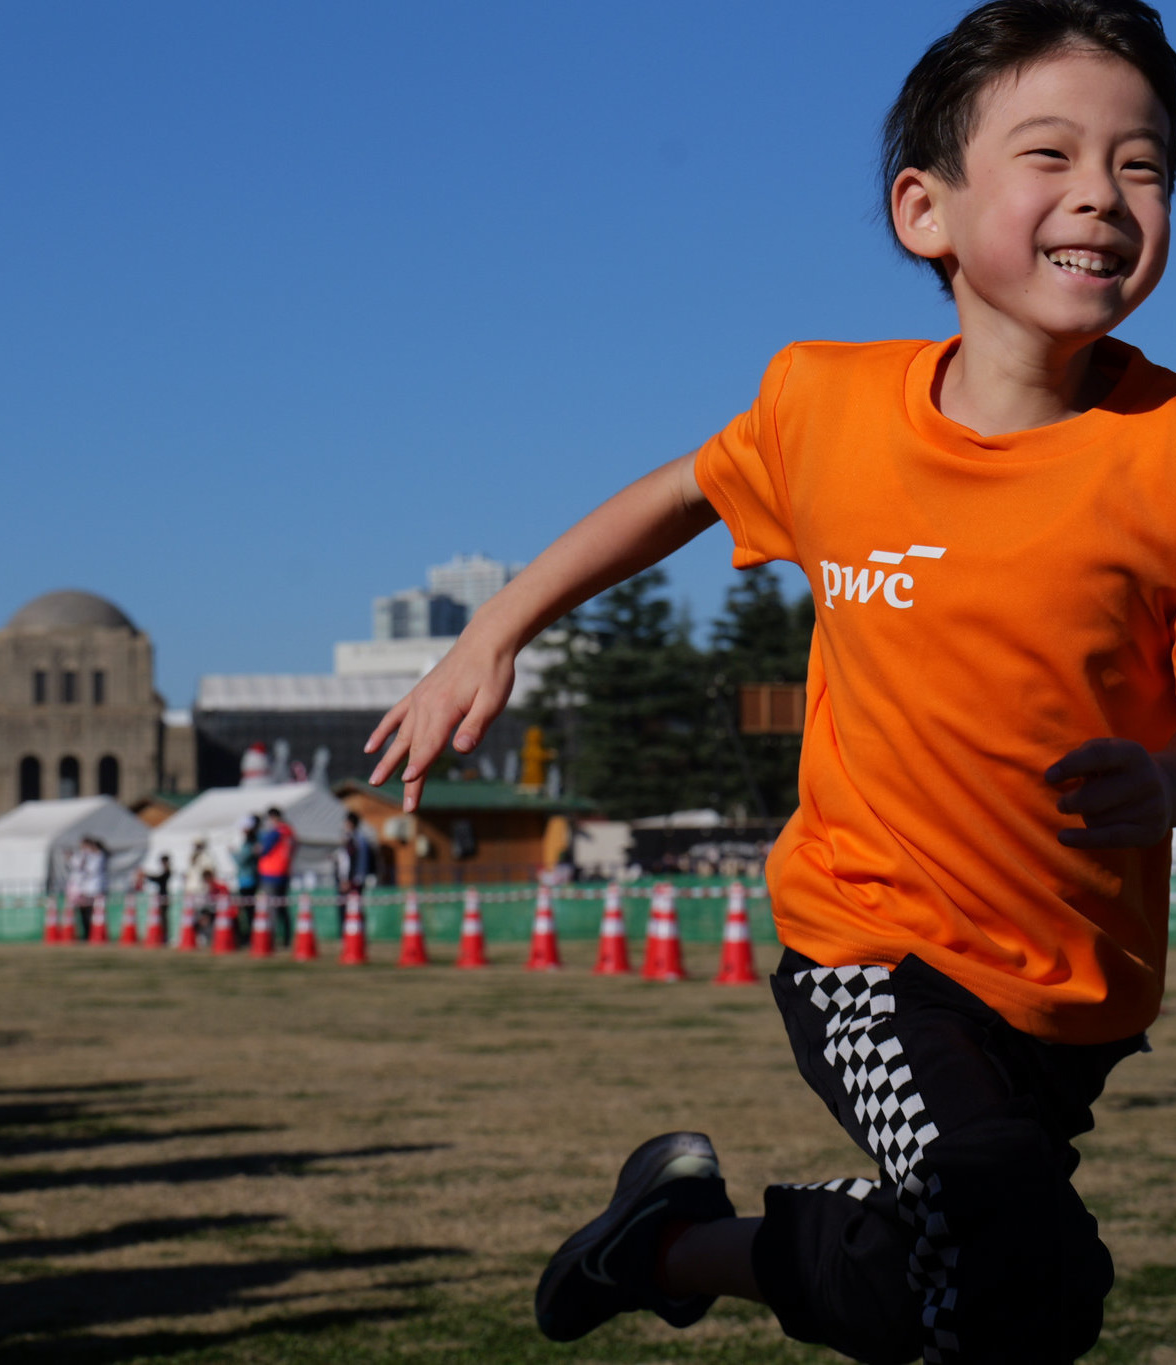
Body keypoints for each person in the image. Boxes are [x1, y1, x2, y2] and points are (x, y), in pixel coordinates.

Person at [365, 4, 1176, 1361]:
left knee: (984, 1276)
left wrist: (1167, 778)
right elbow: (681, 493)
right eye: (1050, 154)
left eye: (1142, 165)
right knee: (1003, 1260)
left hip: (1076, 989)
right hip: (872, 948)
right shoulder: (825, 409)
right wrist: (495, 629)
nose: (1101, 191)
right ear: (924, 210)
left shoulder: (1165, 453)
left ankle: (667, 1243)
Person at [257, 806, 296, 947]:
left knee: (271, 909)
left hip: (271, 873)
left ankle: (270, 940)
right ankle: (287, 939)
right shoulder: (290, 832)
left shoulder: (275, 832)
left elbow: (263, 849)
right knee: (282, 908)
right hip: (285, 873)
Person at [334, 811, 376, 936]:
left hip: (352, 880)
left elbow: (350, 861)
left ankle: (349, 935)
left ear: (350, 823)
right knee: (357, 907)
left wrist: (346, 880)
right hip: (359, 878)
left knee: (348, 908)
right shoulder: (362, 839)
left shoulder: (353, 839)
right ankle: (358, 933)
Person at [234, 814, 262, 944]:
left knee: (249, 910)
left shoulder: (251, 842)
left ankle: (251, 937)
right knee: (248, 910)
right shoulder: (253, 841)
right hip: (247, 879)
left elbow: (241, 860)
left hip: (248, 880)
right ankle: (249, 936)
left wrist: (232, 853)